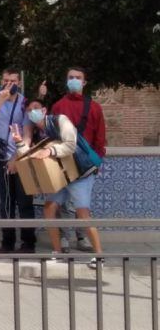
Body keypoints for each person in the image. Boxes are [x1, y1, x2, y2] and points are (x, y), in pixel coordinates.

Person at [21, 99, 104, 269]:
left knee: (82, 213)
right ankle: (57, 253)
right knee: (49, 207)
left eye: (36, 108)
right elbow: (27, 153)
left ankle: (99, 256)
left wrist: (50, 150)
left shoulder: (61, 120)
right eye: (29, 110)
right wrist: (18, 141)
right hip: (62, 176)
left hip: (80, 173)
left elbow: (70, 145)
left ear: (44, 110)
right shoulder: (36, 131)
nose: (32, 112)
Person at [47, 67, 107, 256]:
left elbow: (100, 138)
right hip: (62, 163)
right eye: (71, 77)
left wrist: (96, 162)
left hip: (84, 165)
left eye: (78, 78)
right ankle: (63, 240)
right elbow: (51, 135)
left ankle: (88, 243)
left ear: (84, 82)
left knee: (82, 207)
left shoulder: (95, 107)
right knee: (56, 205)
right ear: (66, 81)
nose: (74, 80)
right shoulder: (57, 106)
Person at [0, 68, 34, 253]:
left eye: (13, 81)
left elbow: (27, 135)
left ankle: (28, 242)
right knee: (6, 202)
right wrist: (1, 99)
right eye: (6, 80)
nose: (9, 84)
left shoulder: (24, 103)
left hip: (21, 158)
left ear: (19, 83)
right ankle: (7, 242)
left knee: (24, 202)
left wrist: (16, 158)